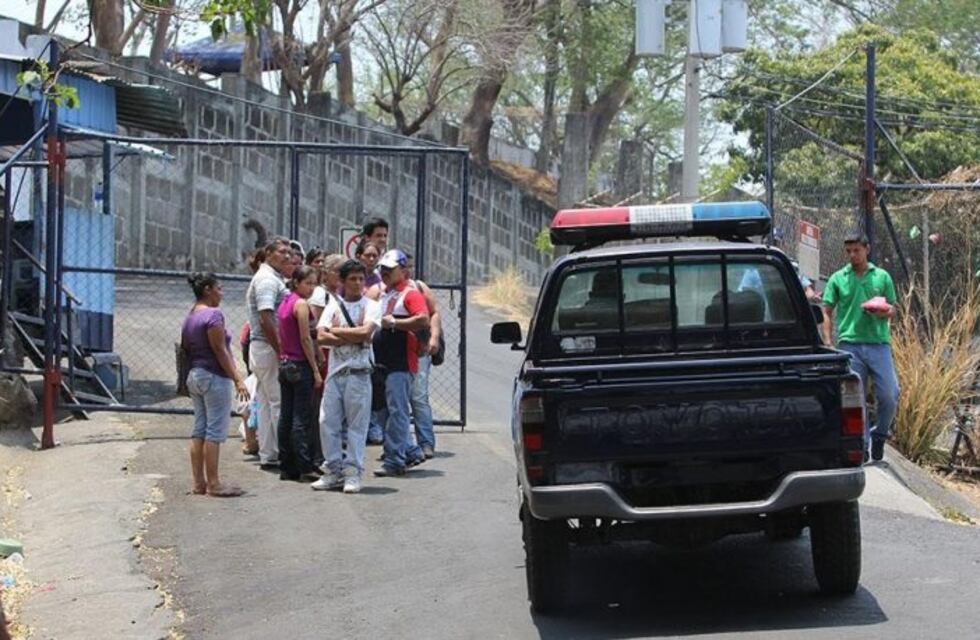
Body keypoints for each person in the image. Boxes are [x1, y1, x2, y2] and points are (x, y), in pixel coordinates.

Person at [822, 232, 899, 463]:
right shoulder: (838, 278)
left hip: (878, 344)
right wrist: (828, 342)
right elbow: (826, 310)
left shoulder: (882, 277)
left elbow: (892, 308)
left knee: (889, 394)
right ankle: (862, 444)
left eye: (857, 250)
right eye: (849, 251)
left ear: (867, 249)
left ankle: (880, 434)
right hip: (850, 345)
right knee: (855, 399)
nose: (853, 255)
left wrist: (883, 311)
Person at [312, 260, 381, 493]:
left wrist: (337, 331)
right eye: (352, 279)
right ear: (342, 281)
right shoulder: (333, 306)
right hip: (335, 373)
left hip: (359, 374)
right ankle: (332, 469)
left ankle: (353, 472)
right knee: (327, 422)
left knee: (356, 426)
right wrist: (353, 336)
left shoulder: (371, 305)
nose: (358, 283)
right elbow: (321, 337)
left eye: (361, 279)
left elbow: (366, 332)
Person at [181, 272, 249, 497]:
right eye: (219, 288)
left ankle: (199, 483)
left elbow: (187, 348)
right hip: (213, 376)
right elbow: (220, 350)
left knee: (199, 428)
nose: (222, 293)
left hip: (195, 376)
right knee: (214, 430)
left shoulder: (191, 315)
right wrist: (238, 379)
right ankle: (214, 483)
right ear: (208, 290)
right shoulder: (214, 315)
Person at [373, 249, 430, 477]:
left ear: (403, 270)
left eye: (390, 269)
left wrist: (395, 323)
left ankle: (395, 460)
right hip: (382, 362)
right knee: (382, 411)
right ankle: (410, 451)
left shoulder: (410, 293)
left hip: (400, 363)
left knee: (397, 411)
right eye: (383, 269)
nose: (385, 273)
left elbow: (423, 318)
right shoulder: (385, 294)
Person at [245, 237, 291, 467]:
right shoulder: (266, 280)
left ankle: (268, 453)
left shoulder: (272, 278)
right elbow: (265, 316)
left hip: (262, 346)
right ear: (269, 253)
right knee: (278, 401)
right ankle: (284, 453)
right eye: (281, 252)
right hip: (267, 346)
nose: (286, 256)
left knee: (264, 401)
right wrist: (280, 349)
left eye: (289, 253)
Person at [276, 265, 323, 481]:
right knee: (300, 418)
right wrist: (315, 369)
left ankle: (287, 465)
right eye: (308, 283)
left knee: (286, 415)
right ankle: (305, 466)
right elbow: (305, 338)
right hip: (299, 364)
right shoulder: (301, 304)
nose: (312, 288)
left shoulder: (286, 302)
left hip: (285, 363)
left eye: (314, 283)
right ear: (297, 283)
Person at [405, 253, 441, 459]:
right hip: (396, 353)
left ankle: (426, 443)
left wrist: (434, 337)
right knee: (396, 400)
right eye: (404, 266)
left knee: (418, 397)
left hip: (419, 351)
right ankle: (402, 445)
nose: (407, 270)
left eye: (410, 266)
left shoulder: (418, 287)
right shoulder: (387, 290)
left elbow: (434, 312)